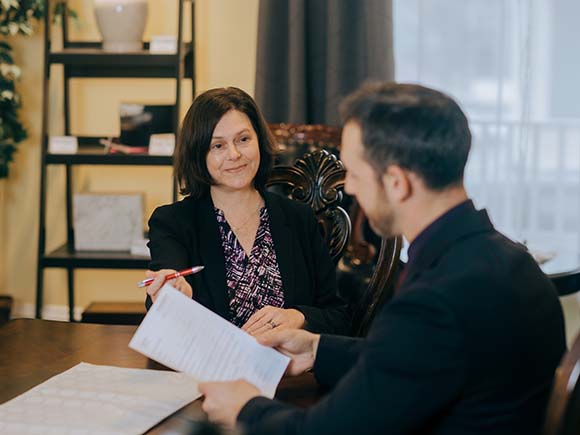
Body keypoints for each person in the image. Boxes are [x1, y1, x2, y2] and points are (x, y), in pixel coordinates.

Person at [198, 83, 567, 434]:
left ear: (397, 182)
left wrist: (245, 407)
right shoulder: (513, 263)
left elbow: (323, 431)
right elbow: (421, 357)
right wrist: (317, 349)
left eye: (355, 174)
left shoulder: (434, 301)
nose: (352, 188)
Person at [144, 87, 349, 335]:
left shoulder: (299, 218)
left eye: (243, 139)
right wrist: (173, 295)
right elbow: (165, 292)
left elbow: (338, 315)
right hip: (212, 369)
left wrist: (298, 317)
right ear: (199, 155)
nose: (234, 154)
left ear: (259, 141)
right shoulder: (173, 222)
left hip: (288, 369)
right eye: (217, 146)